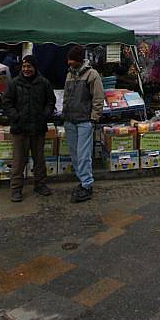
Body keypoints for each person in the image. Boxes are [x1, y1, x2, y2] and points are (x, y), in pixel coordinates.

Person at [3, 55, 56, 202]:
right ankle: (16, 189)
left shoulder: (44, 83)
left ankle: (40, 185)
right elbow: (7, 103)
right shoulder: (14, 83)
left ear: (35, 67)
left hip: (38, 128)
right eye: (24, 66)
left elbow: (51, 102)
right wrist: (16, 116)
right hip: (19, 128)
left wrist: (44, 115)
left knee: (39, 160)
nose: (26, 69)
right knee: (18, 161)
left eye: (29, 66)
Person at [63, 45, 104, 203]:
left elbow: (98, 98)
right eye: (68, 59)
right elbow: (66, 97)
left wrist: (94, 118)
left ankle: (87, 185)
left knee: (83, 155)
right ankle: (82, 181)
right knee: (75, 155)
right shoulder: (69, 74)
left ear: (79, 59)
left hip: (85, 121)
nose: (69, 62)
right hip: (70, 121)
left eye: (71, 59)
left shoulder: (92, 74)